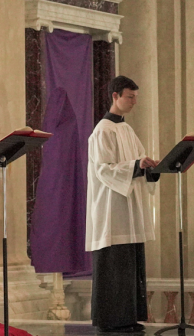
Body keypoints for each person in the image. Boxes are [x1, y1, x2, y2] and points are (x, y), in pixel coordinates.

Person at [86, 75, 160, 333]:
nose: (134, 102)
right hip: (111, 211)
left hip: (129, 209)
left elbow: (138, 162)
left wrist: (149, 167)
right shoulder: (102, 130)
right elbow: (103, 171)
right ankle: (112, 319)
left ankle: (128, 316)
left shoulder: (126, 129)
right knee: (114, 265)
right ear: (115, 96)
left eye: (135, 97)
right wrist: (135, 167)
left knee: (130, 263)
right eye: (130, 97)